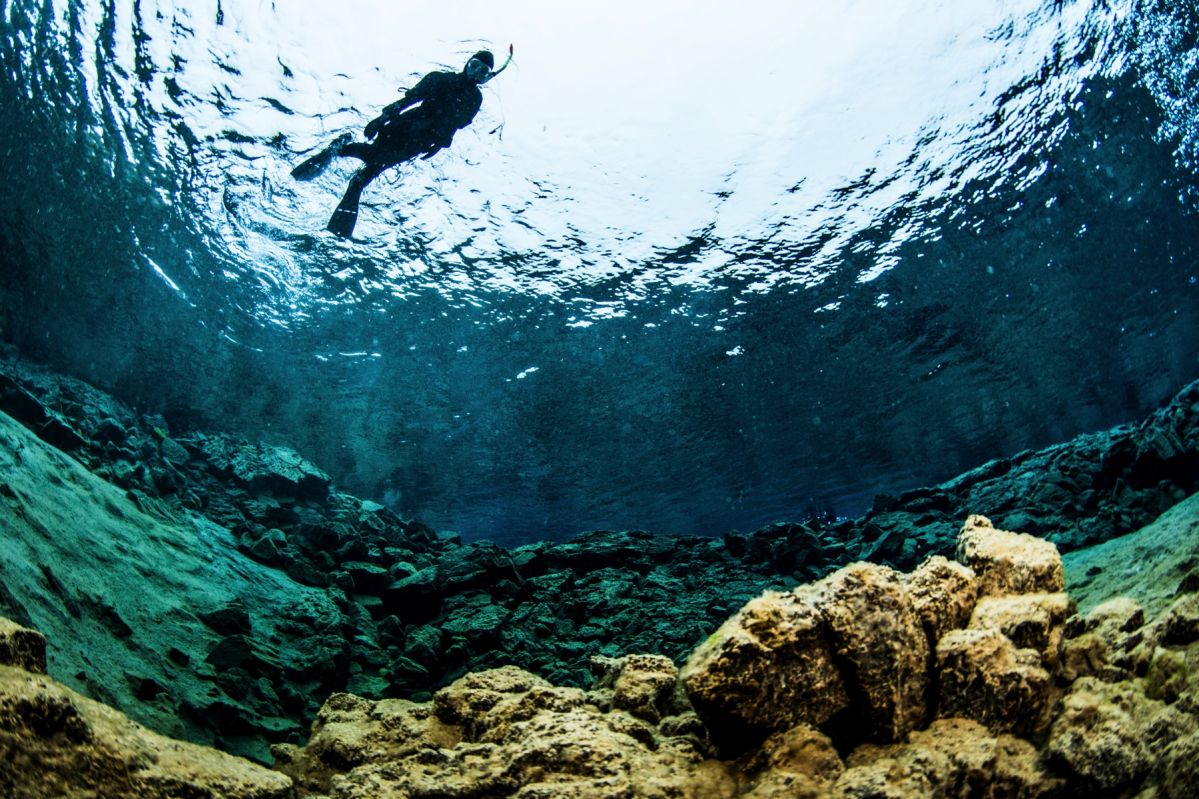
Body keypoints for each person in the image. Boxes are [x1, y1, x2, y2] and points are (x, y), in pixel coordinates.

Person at [292, 47, 511, 238]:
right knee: (370, 164)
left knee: (371, 165)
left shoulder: (475, 99)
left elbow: (455, 125)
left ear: (486, 76)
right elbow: (409, 100)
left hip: (420, 142)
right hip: (403, 127)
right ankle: (341, 152)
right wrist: (381, 119)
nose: (475, 72)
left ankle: (340, 148)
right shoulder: (440, 79)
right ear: (467, 63)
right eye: (474, 65)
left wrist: (440, 144)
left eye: (482, 71)